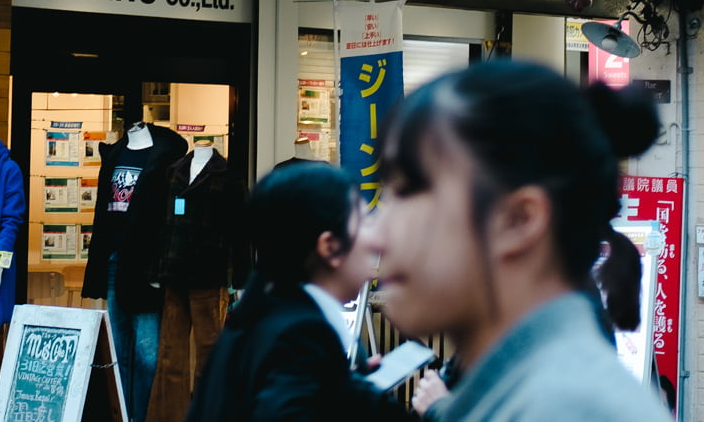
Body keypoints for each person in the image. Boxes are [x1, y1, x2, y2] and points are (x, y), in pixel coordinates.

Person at [362, 60, 669, 421]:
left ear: (520, 220)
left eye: (408, 191)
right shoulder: (530, 392)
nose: (373, 235)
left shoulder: (565, 407)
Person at [183, 160, 412, 422]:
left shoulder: (260, 317)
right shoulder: (299, 336)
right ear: (330, 246)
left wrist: (350, 389)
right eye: (363, 224)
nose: (376, 240)